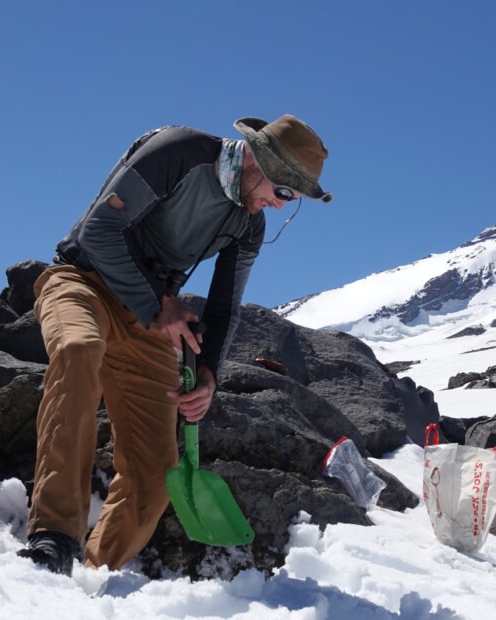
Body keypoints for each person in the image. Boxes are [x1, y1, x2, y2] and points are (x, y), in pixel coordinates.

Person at [17, 115, 333, 575]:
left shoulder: (250, 224)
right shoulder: (178, 151)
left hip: (148, 318)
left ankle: (92, 572)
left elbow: (224, 308)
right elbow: (99, 232)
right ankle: (53, 540)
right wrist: (160, 305)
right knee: (79, 348)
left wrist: (208, 375)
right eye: (283, 192)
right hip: (81, 281)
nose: (280, 205)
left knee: (156, 467)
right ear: (258, 161)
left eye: (294, 200)